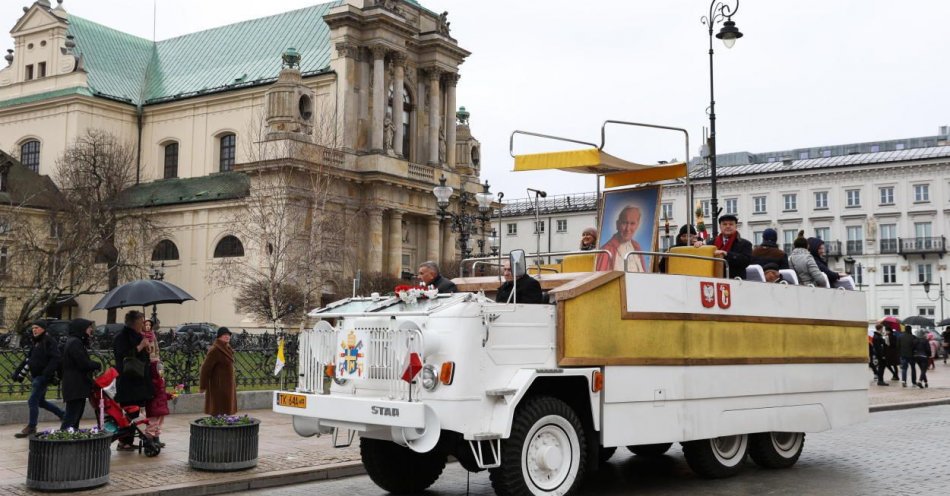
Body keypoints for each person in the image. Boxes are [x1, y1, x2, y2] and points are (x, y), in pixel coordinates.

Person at [14, 321, 65, 438]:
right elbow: (28, 358)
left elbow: (56, 358)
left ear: (43, 329)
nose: (34, 330)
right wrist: (17, 372)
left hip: (43, 378)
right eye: (33, 328)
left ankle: (32, 426)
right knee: (40, 402)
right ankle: (63, 414)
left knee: (32, 401)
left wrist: (46, 374)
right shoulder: (36, 342)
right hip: (36, 377)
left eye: (36, 328)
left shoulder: (49, 341)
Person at [113, 310, 154, 450]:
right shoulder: (122, 337)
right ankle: (123, 441)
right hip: (128, 381)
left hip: (138, 381)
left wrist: (146, 348)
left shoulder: (139, 336)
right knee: (129, 411)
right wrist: (140, 346)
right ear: (136, 322)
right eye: (142, 321)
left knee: (134, 411)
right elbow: (123, 356)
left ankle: (128, 441)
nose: (144, 324)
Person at [60, 318, 101, 430]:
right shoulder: (75, 342)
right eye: (88, 327)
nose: (91, 330)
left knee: (74, 417)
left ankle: (71, 441)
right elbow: (83, 363)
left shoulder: (76, 341)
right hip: (75, 386)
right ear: (81, 328)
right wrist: (96, 365)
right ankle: (63, 442)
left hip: (77, 386)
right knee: (71, 418)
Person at [694, 214, 752, 280]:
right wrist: (701, 247)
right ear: (720, 227)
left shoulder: (745, 244)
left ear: (736, 226)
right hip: (714, 280)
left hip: (735, 281)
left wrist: (726, 254)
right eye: (724, 224)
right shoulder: (711, 243)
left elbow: (746, 261)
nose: (728, 226)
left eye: (731, 224)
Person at [143, 319, 170, 448]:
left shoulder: (153, 336)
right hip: (150, 368)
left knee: (159, 416)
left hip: (155, 364)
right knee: (153, 416)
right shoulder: (143, 337)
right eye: (146, 325)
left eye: (149, 325)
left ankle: (156, 436)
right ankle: (150, 437)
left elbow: (157, 350)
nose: (148, 327)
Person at [199, 327, 237, 416]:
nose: (227, 337)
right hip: (218, 386)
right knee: (219, 410)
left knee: (226, 410)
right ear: (219, 336)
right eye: (225, 335)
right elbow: (205, 369)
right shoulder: (215, 350)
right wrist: (202, 386)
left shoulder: (227, 348)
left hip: (228, 386)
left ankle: (225, 425)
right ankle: (218, 426)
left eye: (228, 335)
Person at [597, 205, 647, 272]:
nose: (628, 229)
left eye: (632, 223)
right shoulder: (606, 251)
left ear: (637, 225)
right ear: (617, 224)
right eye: (624, 223)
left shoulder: (636, 246)